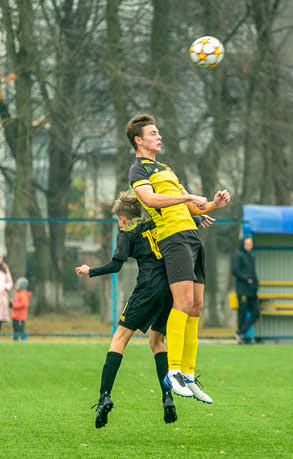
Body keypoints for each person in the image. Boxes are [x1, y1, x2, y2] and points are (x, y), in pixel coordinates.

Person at [76, 191, 214, 429]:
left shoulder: (127, 232)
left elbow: (116, 265)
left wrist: (91, 271)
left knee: (119, 339)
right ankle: (167, 398)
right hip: (171, 291)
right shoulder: (157, 222)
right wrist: (198, 219)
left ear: (122, 217)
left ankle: (104, 397)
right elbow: (181, 224)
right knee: (157, 342)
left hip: (147, 290)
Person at [127, 114, 230, 402]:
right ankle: (172, 372)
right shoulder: (138, 171)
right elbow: (150, 200)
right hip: (173, 239)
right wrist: (187, 199)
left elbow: (194, 204)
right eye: (153, 133)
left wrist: (213, 204)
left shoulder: (166, 169)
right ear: (139, 140)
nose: (159, 137)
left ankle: (188, 373)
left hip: (192, 238)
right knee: (182, 303)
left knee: (196, 307)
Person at [231, 237, 259, 344]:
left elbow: (253, 273)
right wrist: (246, 278)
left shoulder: (250, 257)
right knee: (242, 313)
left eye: (250, 244)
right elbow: (235, 271)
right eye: (247, 244)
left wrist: (256, 284)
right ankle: (240, 335)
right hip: (242, 290)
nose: (249, 246)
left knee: (256, 313)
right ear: (243, 244)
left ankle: (240, 333)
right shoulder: (238, 255)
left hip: (252, 291)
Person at [11, 277, 30, 341]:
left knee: (21, 329)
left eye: (17, 285)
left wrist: (13, 305)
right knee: (15, 329)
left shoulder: (23, 295)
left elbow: (23, 304)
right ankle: (15, 339)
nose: (16, 286)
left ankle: (23, 339)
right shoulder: (18, 294)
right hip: (15, 316)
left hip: (20, 317)